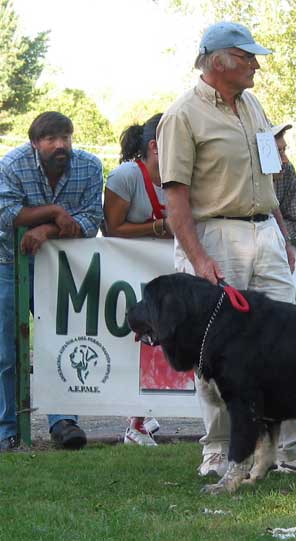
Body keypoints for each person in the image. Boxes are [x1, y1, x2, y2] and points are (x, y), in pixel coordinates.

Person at [157, 21, 296, 479]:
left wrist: (278, 229)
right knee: (213, 349)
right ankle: (218, 449)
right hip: (215, 235)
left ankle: (294, 449)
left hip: (264, 233)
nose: (256, 65)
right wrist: (199, 258)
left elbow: (267, 174)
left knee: (292, 340)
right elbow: (175, 197)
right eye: (247, 57)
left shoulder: (253, 105)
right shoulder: (182, 116)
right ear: (218, 61)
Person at [0, 111, 103, 451]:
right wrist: (56, 212)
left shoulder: (89, 166)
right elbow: (8, 214)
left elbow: (91, 217)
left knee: (62, 342)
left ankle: (63, 422)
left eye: (66, 137)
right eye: (50, 139)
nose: (60, 145)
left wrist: (46, 228)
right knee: (8, 351)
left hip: (60, 267)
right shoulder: (13, 164)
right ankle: (8, 429)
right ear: (35, 143)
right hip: (9, 264)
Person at [103, 113, 172, 447]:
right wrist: (158, 228)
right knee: (137, 343)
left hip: (165, 275)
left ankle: (143, 414)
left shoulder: (181, 177)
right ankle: (136, 422)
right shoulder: (127, 176)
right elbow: (112, 229)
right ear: (154, 146)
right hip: (129, 275)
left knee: (162, 344)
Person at [271, 123, 296, 239]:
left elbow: (293, 222)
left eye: (284, 150)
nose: (285, 160)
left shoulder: (287, 170)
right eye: (278, 152)